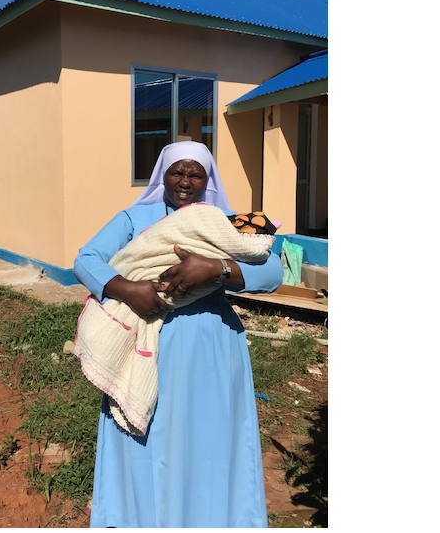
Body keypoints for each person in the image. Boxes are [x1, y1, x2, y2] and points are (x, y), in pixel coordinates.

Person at [73, 141, 283, 528]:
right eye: (177, 172)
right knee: (147, 435)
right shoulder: (134, 219)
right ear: (162, 175)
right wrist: (127, 289)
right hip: (146, 340)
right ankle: (140, 517)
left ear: (208, 180)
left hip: (209, 344)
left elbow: (272, 273)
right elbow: (86, 259)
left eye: (195, 174)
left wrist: (216, 268)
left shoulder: (224, 222)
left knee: (208, 435)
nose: (185, 181)